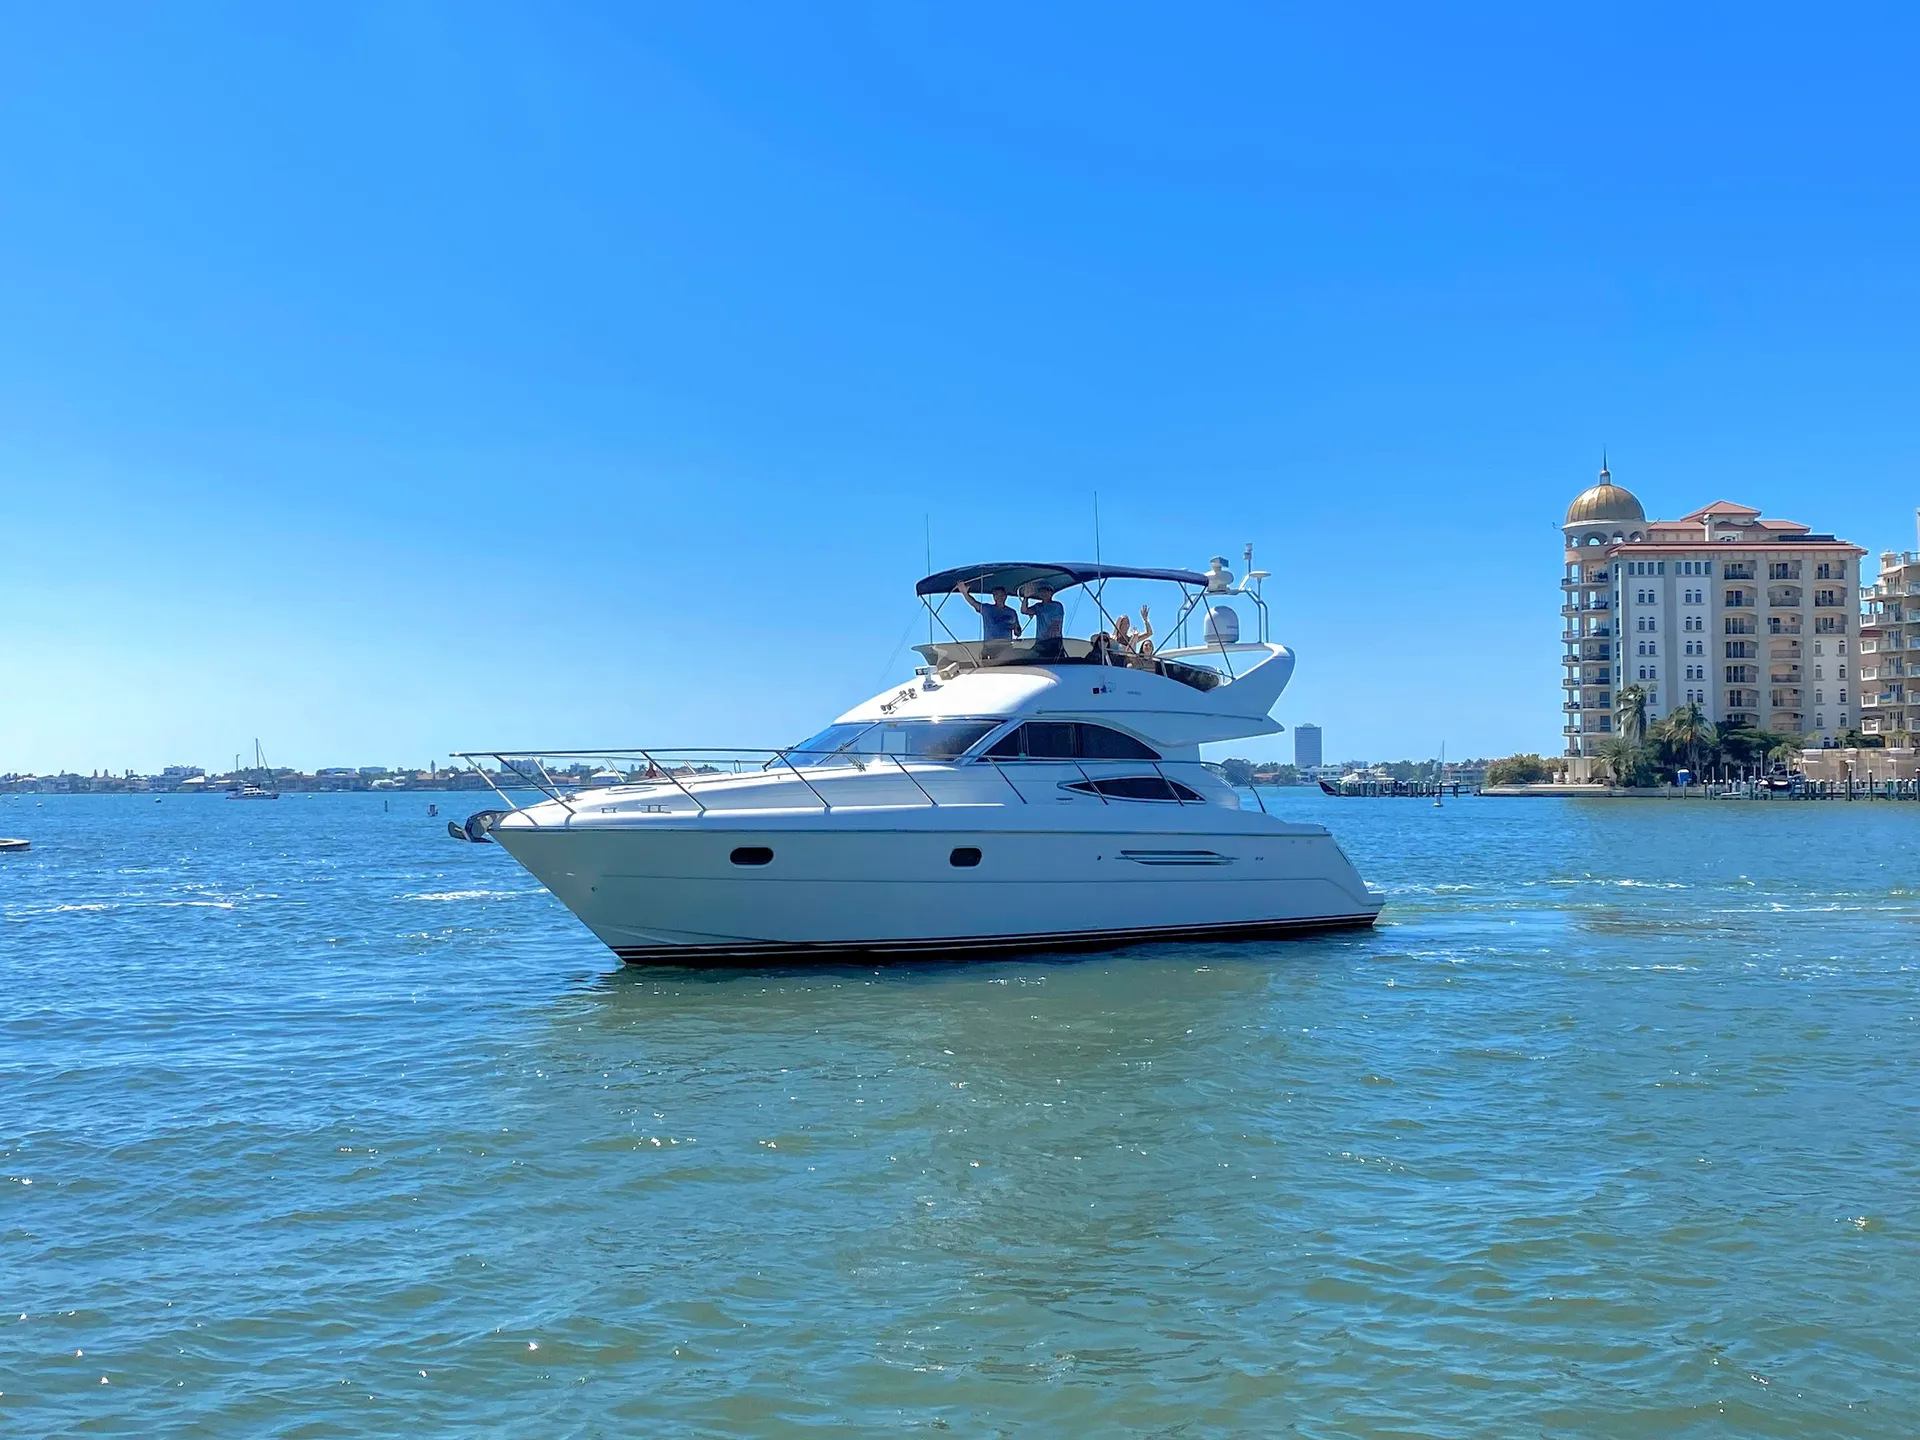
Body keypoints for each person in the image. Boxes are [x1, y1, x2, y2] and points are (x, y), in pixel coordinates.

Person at [955, 582, 1021, 647]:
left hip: (1006, 647)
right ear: (994, 597)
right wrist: (965, 593)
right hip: (989, 647)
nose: (1000, 597)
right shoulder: (987, 609)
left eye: (1002, 595)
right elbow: (974, 603)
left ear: (1005, 596)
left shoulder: (1012, 612)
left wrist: (1016, 628)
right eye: (997, 595)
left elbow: (1018, 632)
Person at [1023, 584, 1066, 659]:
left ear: (1051, 593)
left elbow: (1055, 624)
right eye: (1041, 591)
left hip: (1053, 642)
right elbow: (1024, 611)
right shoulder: (1038, 606)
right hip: (1040, 642)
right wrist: (1026, 597)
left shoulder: (1057, 606)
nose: (1044, 593)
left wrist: (1047, 637)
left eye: (1046, 591)